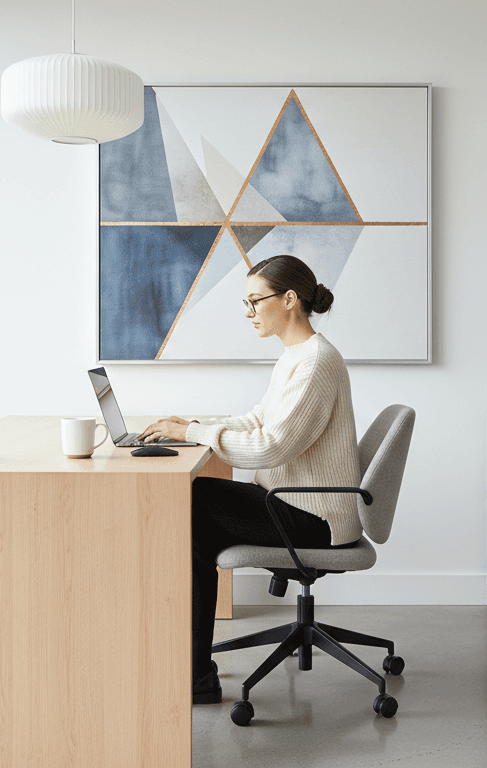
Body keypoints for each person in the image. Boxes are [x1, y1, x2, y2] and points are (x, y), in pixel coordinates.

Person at [139, 254, 361, 705]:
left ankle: (194, 673)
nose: (249, 312)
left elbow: (270, 446)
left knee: (193, 500)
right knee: (196, 526)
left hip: (316, 518)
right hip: (293, 502)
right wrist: (194, 425)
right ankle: (194, 672)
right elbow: (259, 419)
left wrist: (194, 434)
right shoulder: (297, 356)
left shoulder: (316, 362)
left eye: (255, 301)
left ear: (290, 299)